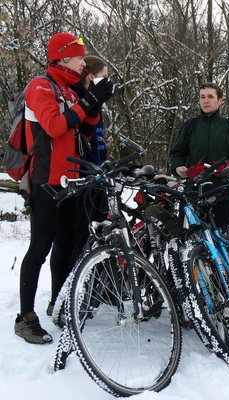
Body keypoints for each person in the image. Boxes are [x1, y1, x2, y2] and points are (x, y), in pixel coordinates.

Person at [14, 32, 114, 344]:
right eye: (80, 56)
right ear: (63, 57)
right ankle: (25, 317)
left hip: (74, 179)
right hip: (46, 180)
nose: (85, 61)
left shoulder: (70, 90)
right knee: (41, 246)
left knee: (68, 245)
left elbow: (86, 126)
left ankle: (59, 301)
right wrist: (87, 101)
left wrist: (93, 103)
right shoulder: (41, 86)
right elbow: (55, 126)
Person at [169, 82, 229, 230]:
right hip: (193, 194)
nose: (206, 100)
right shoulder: (190, 126)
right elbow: (176, 153)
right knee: (192, 243)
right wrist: (177, 168)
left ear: (220, 101)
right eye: (202, 97)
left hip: (223, 194)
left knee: (225, 243)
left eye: (210, 97)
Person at [69, 55, 110, 265]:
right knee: (77, 237)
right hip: (82, 175)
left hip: (97, 172)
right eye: (104, 77)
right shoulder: (80, 99)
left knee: (101, 223)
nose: (107, 82)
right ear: (92, 76)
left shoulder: (95, 100)